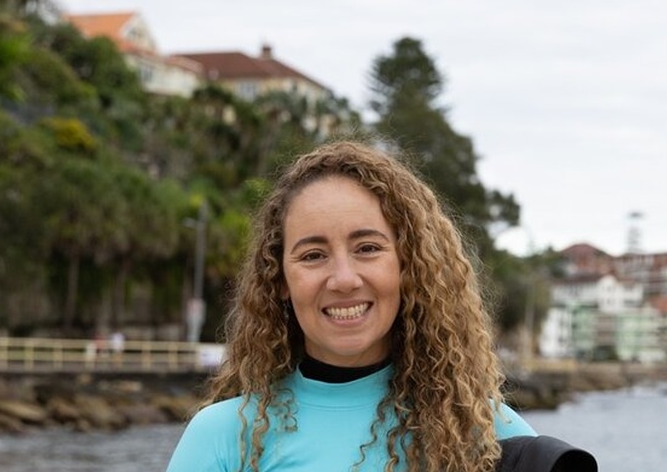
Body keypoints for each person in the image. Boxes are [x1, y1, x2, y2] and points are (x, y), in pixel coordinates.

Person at [167, 140, 537, 472]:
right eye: (313, 255)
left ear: (407, 266)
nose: (343, 279)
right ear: (279, 279)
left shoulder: (485, 433)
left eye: (367, 248)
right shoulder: (222, 437)